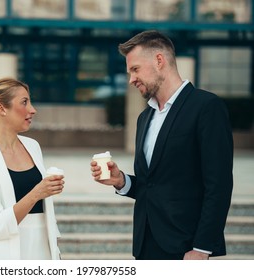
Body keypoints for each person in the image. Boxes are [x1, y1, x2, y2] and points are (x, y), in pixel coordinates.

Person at [90, 30, 233, 260]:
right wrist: (122, 181)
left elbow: (219, 186)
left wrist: (201, 248)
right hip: (145, 247)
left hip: (186, 250)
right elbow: (153, 186)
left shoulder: (207, 107)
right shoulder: (144, 118)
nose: (131, 79)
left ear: (159, 61)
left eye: (135, 69)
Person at [0, 77, 64, 260]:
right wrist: (37, 192)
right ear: (1, 108)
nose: (32, 110)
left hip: (42, 253)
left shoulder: (33, 147)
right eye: (24, 102)